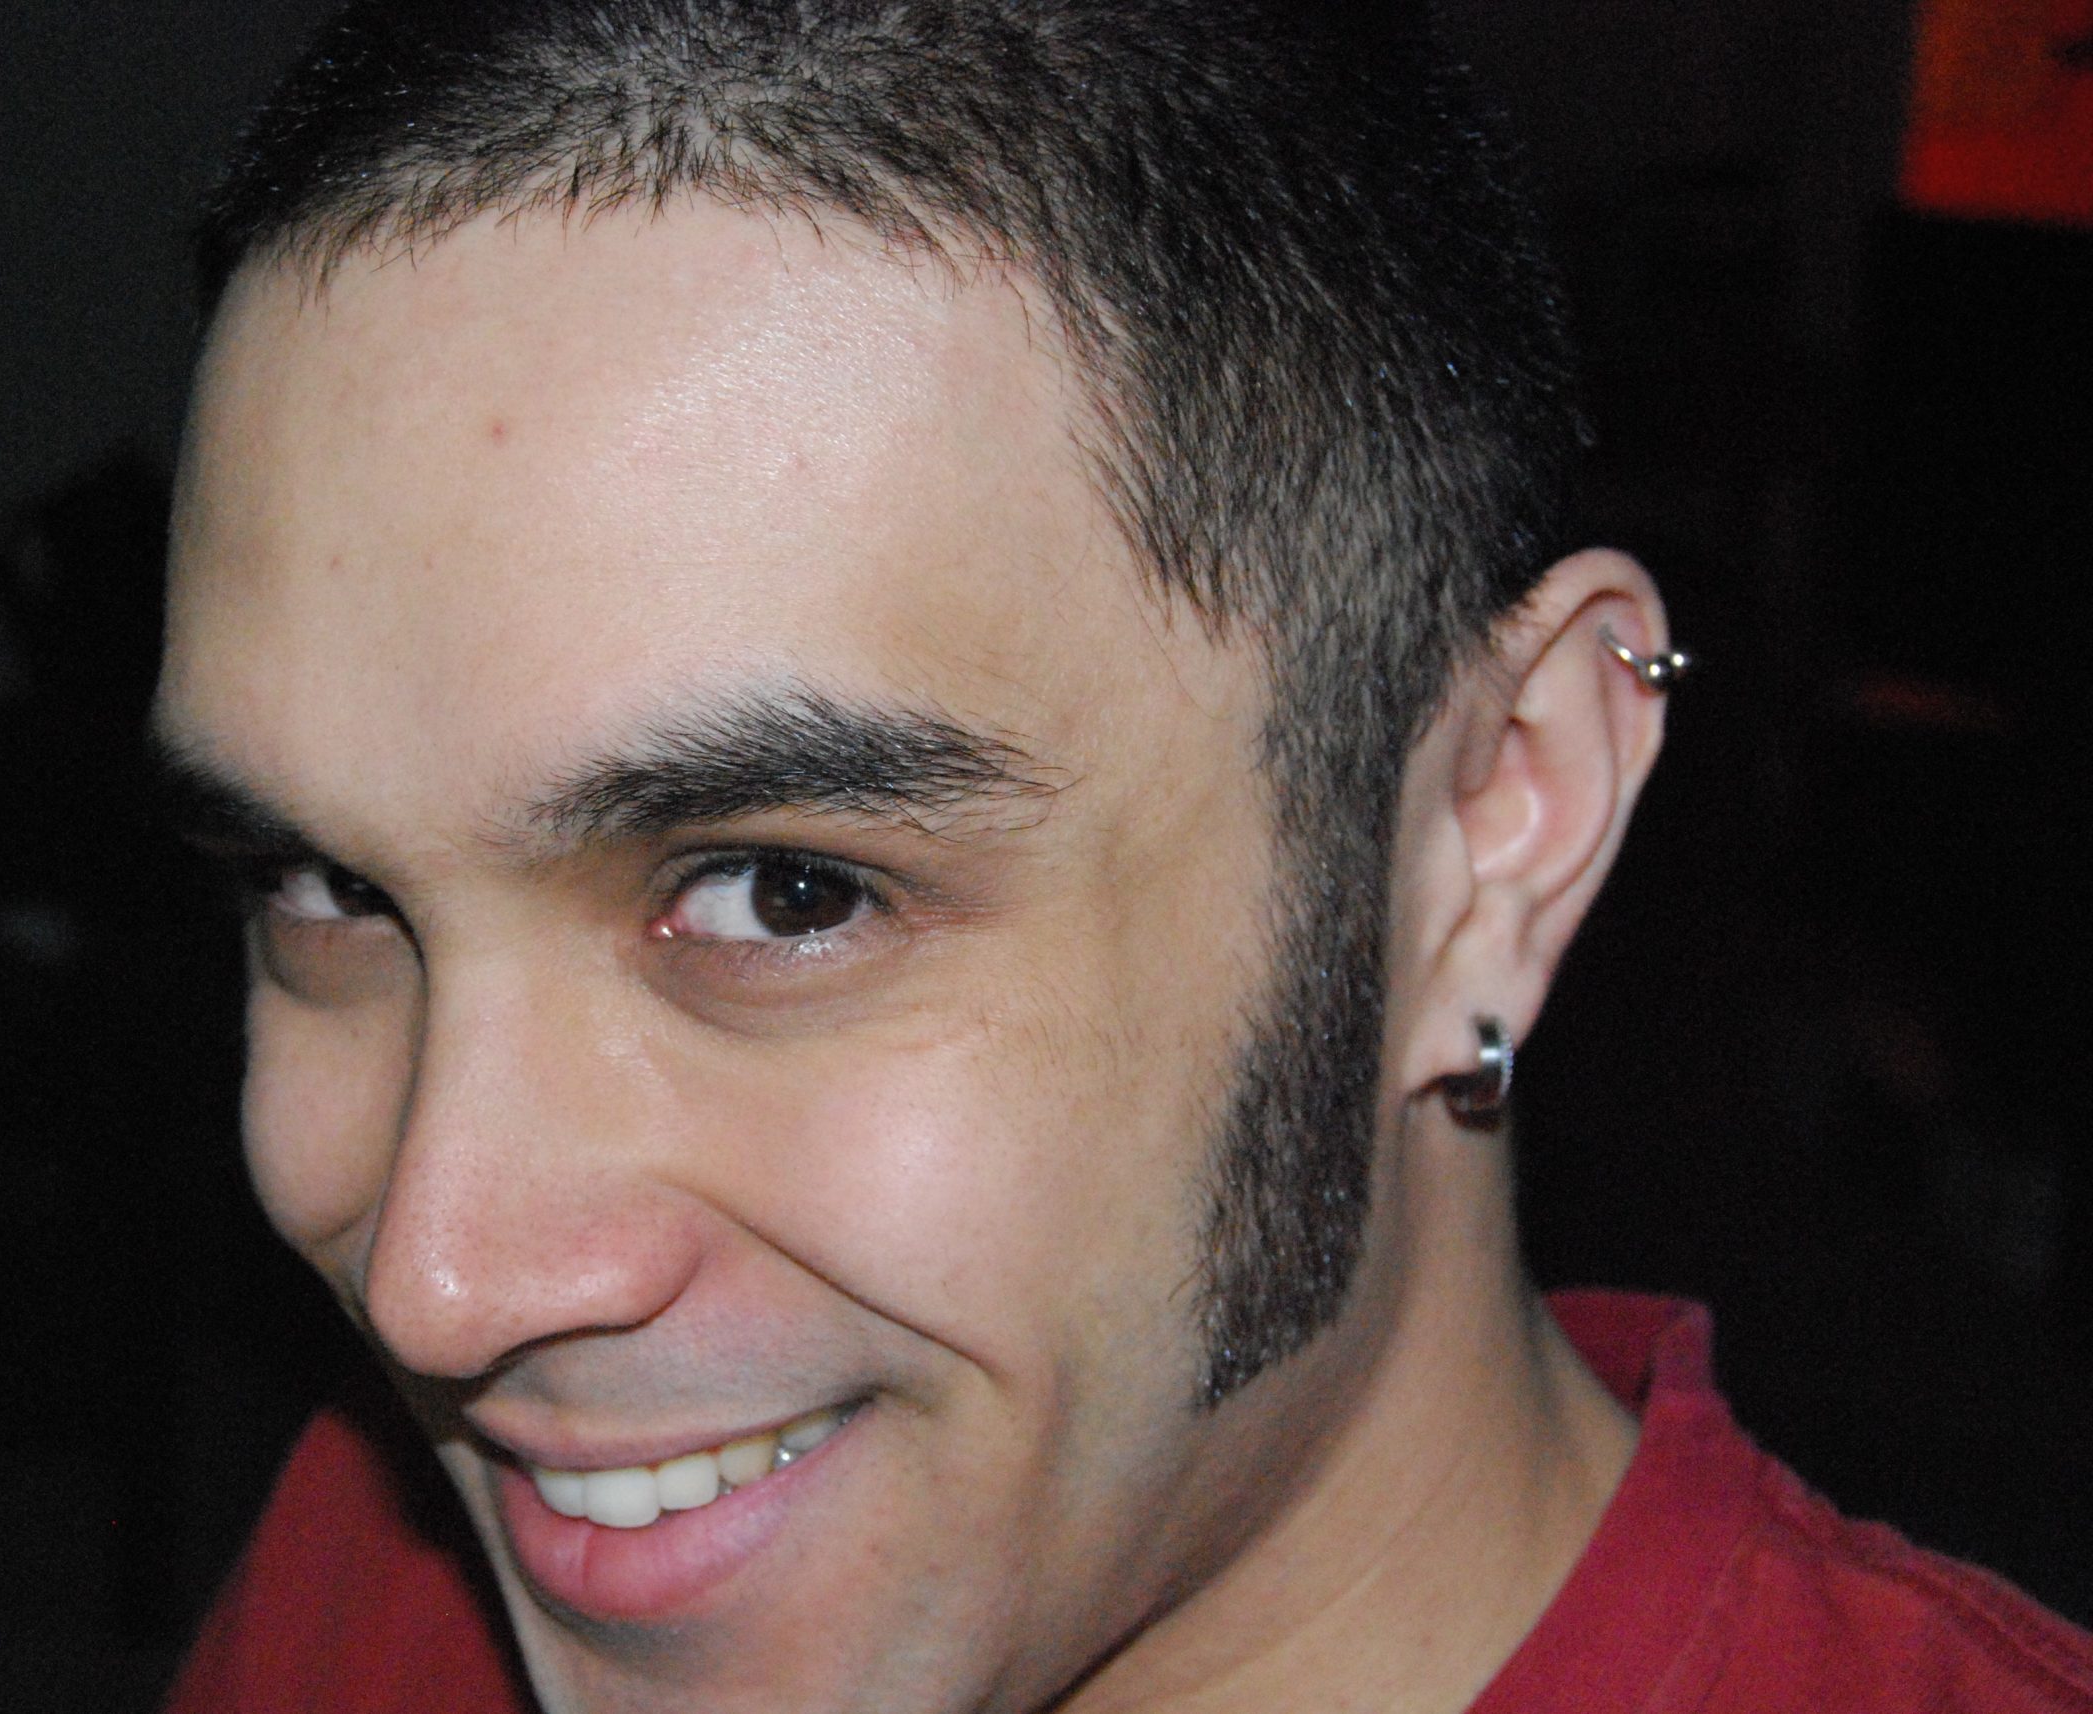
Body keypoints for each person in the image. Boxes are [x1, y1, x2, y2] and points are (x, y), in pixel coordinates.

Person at [148, 2, 2093, 1709]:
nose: (441, 1281)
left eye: (783, 892)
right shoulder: (385, 1573)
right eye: (328, 888)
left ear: (1491, 823)